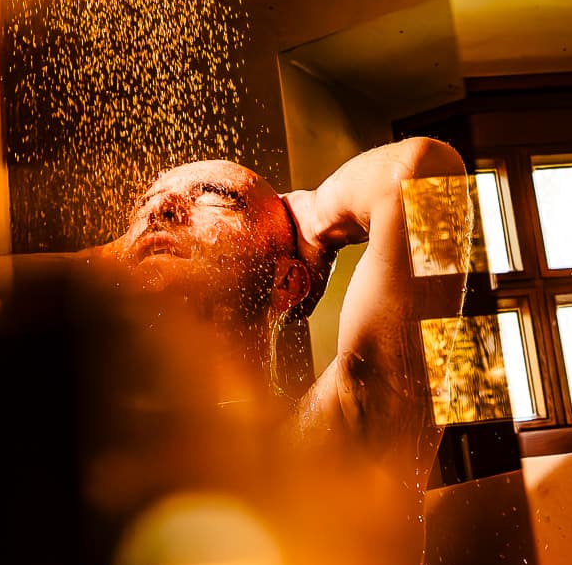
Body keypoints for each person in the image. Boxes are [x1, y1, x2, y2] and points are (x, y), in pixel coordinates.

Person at [80, 138, 469, 486]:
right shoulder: (94, 455)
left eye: (213, 196)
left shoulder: (336, 439)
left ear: (286, 283)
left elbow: (427, 175)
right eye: (144, 206)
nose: (160, 209)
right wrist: (115, 257)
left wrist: (314, 216)